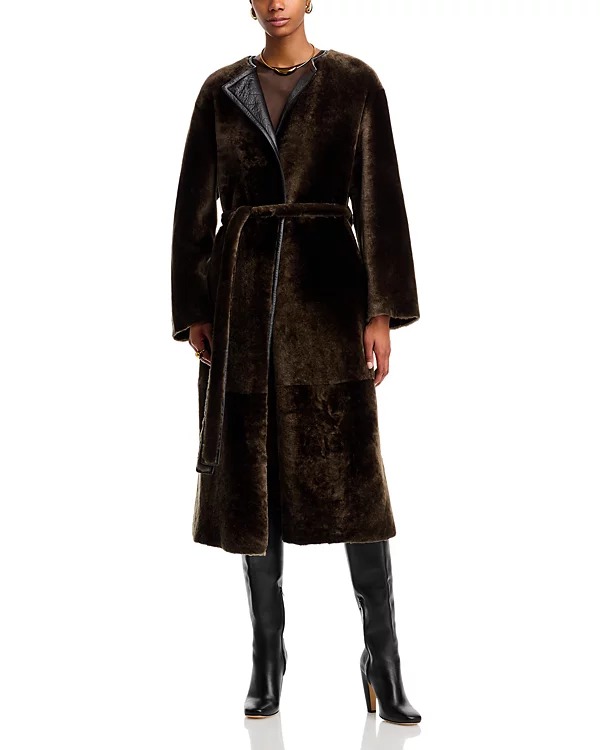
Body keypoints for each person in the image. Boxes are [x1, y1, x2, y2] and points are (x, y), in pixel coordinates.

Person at [170, 0, 422, 725]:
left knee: (354, 478)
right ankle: (266, 656)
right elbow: (193, 207)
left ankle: (383, 660)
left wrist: (381, 311)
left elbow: (379, 199)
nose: (277, 1)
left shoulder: (355, 84)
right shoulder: (220, 91)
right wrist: (196, 307)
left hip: (328, 302)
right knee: (254, 475)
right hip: (243, 304)